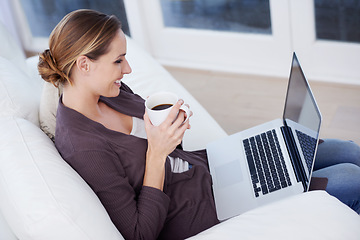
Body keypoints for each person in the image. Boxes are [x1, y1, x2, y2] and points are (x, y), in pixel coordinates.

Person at [37, 9, 360, 240]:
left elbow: (165, 144)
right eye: (118, 60)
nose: (128, 68)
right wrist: (157, 155)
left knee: (346, 149)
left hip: (212, 167)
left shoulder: (110, 93)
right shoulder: (83, 146)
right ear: (84, 65)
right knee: (351, 178)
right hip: (203, 209)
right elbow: (138, 232)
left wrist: (172, 130)